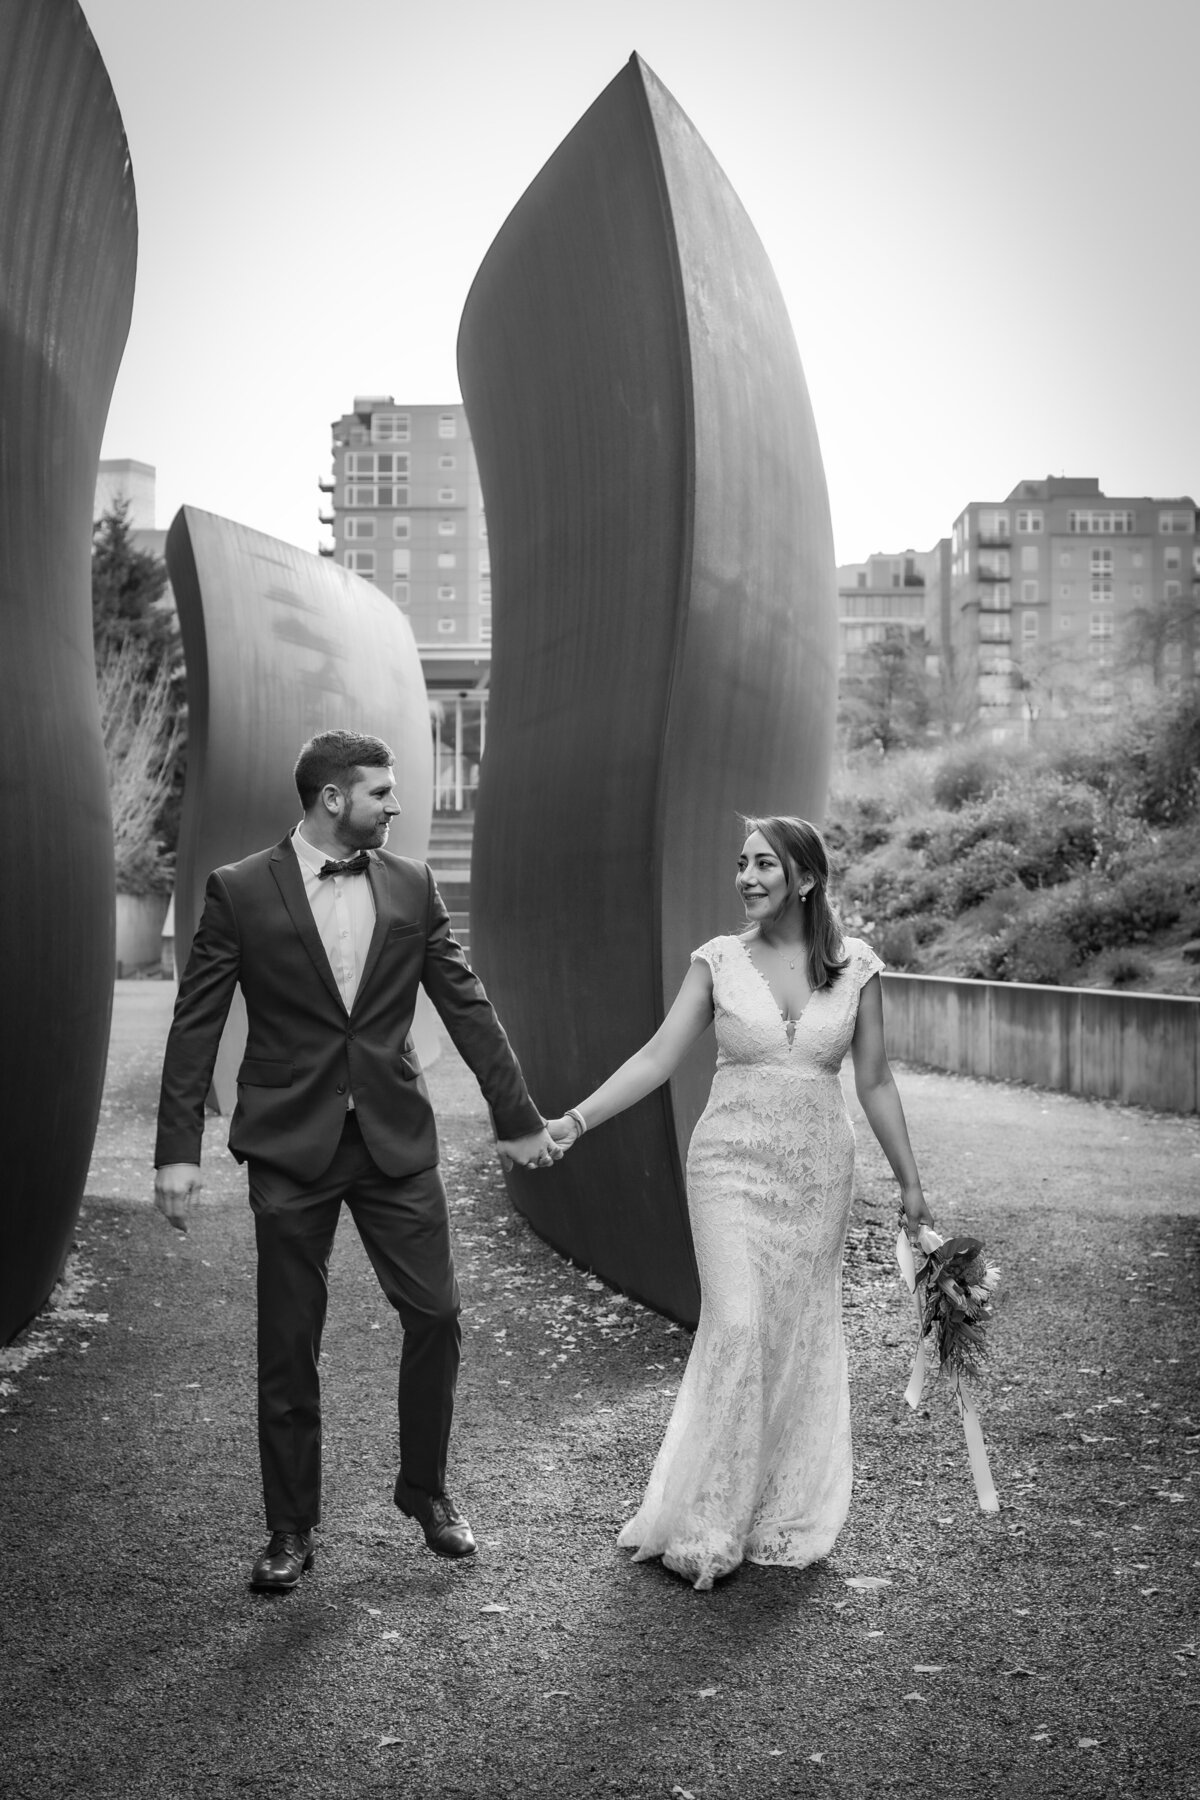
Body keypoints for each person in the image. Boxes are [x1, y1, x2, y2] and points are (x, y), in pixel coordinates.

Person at [153, 729, 560, 1592]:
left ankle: (426, 1492)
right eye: (381, 791)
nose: (396, 804)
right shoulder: (239, 889)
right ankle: (290, 1527)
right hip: (289, 1146)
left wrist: (516, 1117)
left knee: (437, 1315)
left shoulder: (412, 884)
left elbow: (466, 1003)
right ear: (333, 798)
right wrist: (176, 1150)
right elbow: (196, 1022)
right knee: (289, 1344)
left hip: (393, 1143)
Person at [546, 815, 933, 1591]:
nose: (746, 878)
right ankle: (704, 1517)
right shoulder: (718, 961)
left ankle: (772, 1507)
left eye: (764, 865)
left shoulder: (855, 967)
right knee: (740, 1325)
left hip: (818, 1175)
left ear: (806, 878)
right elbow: (659, 1056)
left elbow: (875, 1080)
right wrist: (575, 1120)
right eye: (741, 864)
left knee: (794, 1334)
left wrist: (912, 1185)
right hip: (728, 1168)